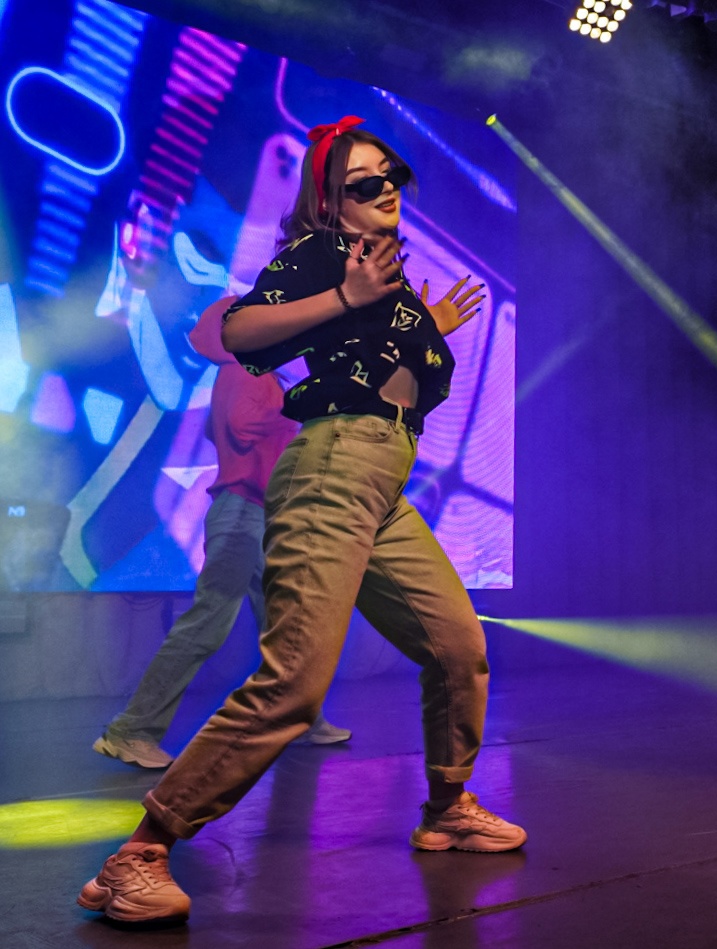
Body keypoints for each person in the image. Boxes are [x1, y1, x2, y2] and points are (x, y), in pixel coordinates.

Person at [78, 116, 524, 925]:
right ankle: (137, 854)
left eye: (390, 174)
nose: (385, 188)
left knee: (459, 646)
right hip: (332, 468)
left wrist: (423, 326)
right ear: (330, 201)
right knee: (294, 682)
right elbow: (237, 331)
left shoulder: (391, 283)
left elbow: (386, 368)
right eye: (363, 182)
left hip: (383, 483)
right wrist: (347, 295)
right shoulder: (322, 256)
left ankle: (447, 807)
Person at [92, 297, 350, 771]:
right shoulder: (244, 371)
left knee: (285, 624)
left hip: (258, 512)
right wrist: (295, 409)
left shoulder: (255, 374)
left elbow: (219, 431)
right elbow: (239, 425)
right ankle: (130, 731)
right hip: (242, 514)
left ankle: (300, 719)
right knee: (208, 623)